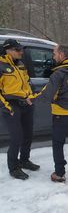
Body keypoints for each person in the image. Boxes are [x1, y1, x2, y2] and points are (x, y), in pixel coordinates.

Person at [29, 45, 68, 182]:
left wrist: (32, 99)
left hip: (62, 116)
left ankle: (59, 173)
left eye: (55, 53)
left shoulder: (58, 74)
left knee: (58, 144)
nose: (53, 56)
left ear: (62, 55)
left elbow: (46, 95)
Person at [0, 39, 40, 180]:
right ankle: (13, 168)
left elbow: (27, 82)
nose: (21, 52)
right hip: (11, 105)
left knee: (28, 135)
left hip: (26, 104)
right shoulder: (1, 65)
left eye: (21, 49)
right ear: (8, 50)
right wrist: (7, 106)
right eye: (18, 50)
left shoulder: (21, 64)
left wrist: (31, 96)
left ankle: (24, 160)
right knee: (16, 138)